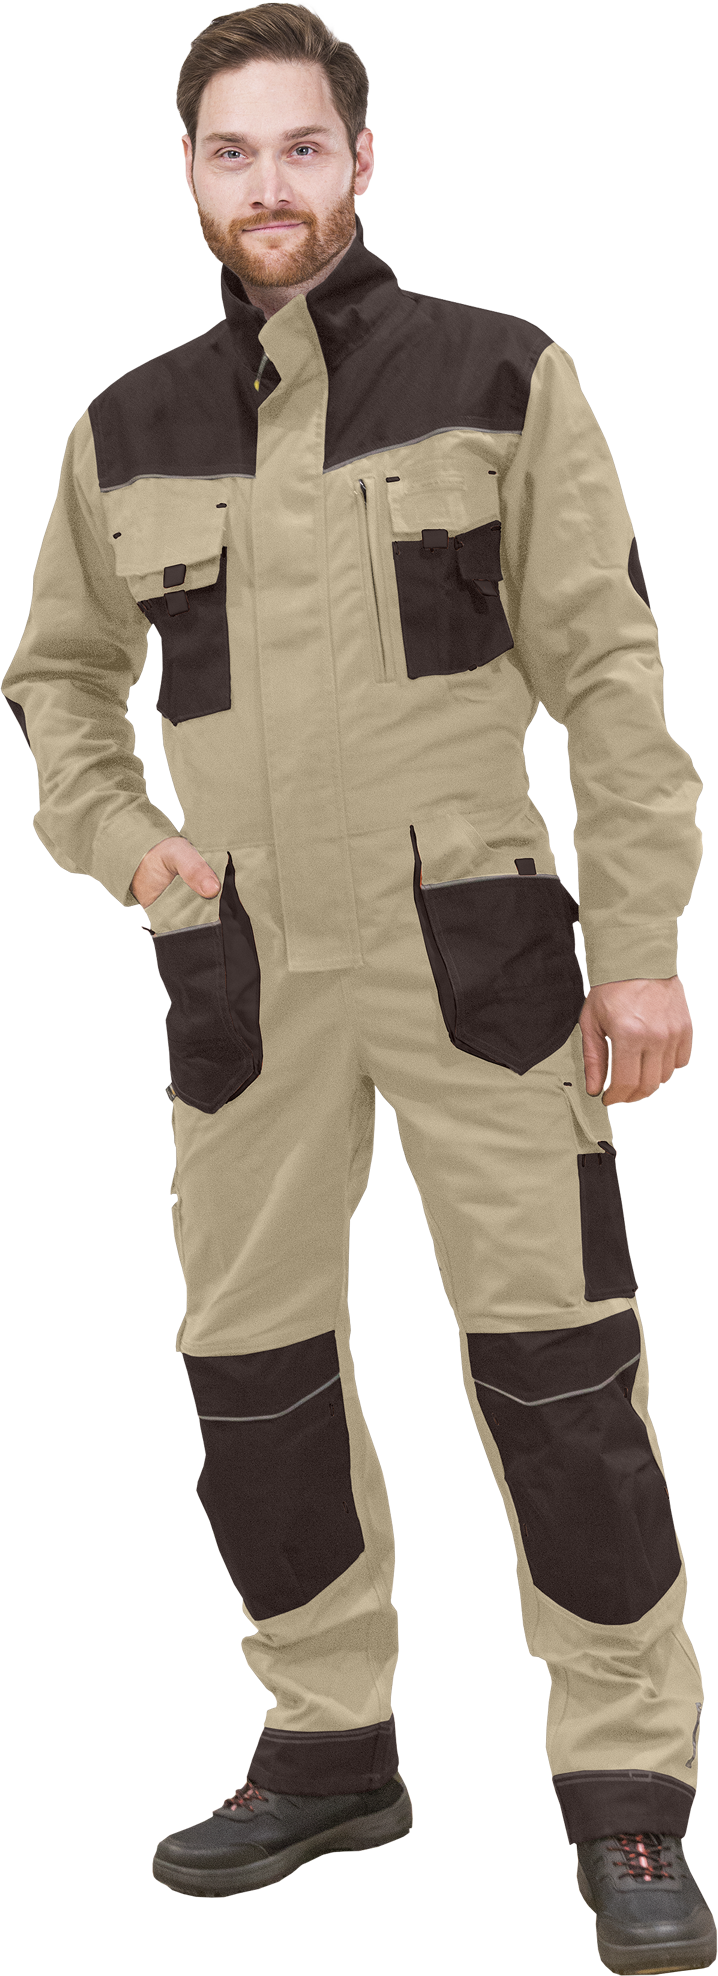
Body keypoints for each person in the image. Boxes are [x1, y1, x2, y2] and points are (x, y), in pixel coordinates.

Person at [3, 6, 714, 1961]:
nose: (268, 185)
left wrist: (641, 948)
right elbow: (61, 679)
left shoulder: (495, 376)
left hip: (474, 953)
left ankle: (624, 1783)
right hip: (245, 970)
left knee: (555, 1373)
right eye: (230, 153)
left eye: (299, 147)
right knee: (255, 1380)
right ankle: (323, 1746)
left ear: (356, 162)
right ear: (192, 176)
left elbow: (605, 677)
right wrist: (125, 844)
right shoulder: (128, 432)